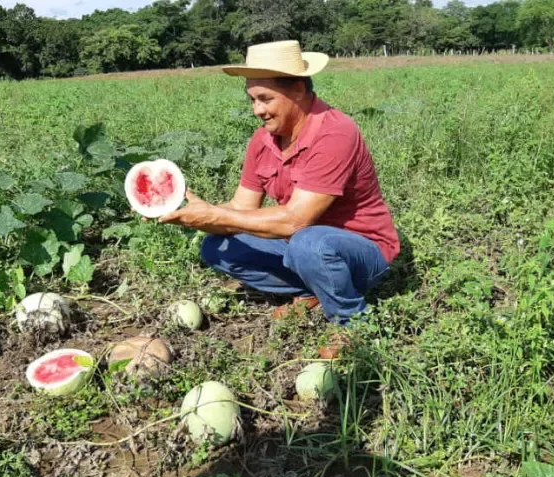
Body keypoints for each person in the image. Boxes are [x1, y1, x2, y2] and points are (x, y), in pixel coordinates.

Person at [157, 40, 400, 326]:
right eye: (252, 100)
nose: (257, 110)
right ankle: (312, 290)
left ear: (298, 89)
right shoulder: (263, 140)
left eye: (265, 98)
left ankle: (352, 321)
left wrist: (214, 213)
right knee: (216, 246)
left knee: (308, 243)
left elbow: (295, 221)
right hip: (301, 246)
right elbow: (240, 208)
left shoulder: (335, 133)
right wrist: (186, 214)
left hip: (361, 253)